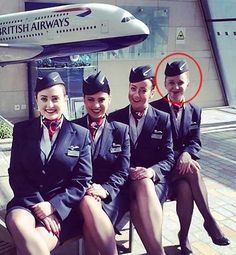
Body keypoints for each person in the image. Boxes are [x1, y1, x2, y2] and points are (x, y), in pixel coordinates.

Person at [6, 72, 93, 255]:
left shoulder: (80, 134)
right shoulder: (21, 130)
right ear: (36, 100)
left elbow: (82, 180)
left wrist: (53, 206)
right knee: (17, 222)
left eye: (55, 98)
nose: (49, 105)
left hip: (62, 210)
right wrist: (40, 206)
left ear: (65, 99)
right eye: (44, 98)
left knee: (32, 245)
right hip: (26, 203)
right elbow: (16, 174)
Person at [151, 60, 230, 255]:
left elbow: (195, 141)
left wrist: (187, 153)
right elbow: (154, 147)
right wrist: (181, 156)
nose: (176, 87)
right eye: (171, 82)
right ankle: (209, 220)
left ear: (188, 83)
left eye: (180, 82)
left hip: (182, 173)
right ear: (165, 84)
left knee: (186, 188)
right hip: (162, 171)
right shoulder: (155, 110)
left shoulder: (195, 110)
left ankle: (184, 236)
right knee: (193, 170)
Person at [110, 65, 175, 255]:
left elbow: (169, 157)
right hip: (125, 180)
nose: (136, 94)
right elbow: (111, 155)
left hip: (154, 182)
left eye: (143, 90)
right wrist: (126, 169)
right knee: (140, 188)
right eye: (133, 88)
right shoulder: (115, 118)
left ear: (153, 92)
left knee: (143, 190)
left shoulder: (163, 119)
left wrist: (151, 171)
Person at [73, 72, 130, 255]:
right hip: (80, 195)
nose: (96, 105)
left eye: (101, 99)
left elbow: (122, 171)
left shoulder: (121, 131)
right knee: (90, 208)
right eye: (90, 99)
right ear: (83, 99)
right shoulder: (72, 129)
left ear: (109, 99)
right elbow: (68, 168)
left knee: (92, 217)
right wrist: (87, 190)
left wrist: (104, 190)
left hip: (111, 197)